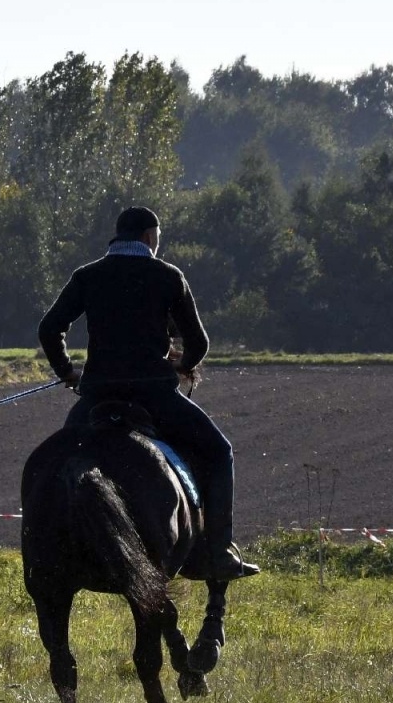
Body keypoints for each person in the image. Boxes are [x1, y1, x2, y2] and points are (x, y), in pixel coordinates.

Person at [38, 206, 258, 580]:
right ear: (149, 238)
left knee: (61, 459)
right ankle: (219, 551)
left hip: (96, 397)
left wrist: (68, 372)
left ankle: (45, 543)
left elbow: (49, 329)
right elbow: (199, 343)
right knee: (220, 452)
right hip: (155, 397)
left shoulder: (87, 276)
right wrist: (180, 364)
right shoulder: (168, 276)